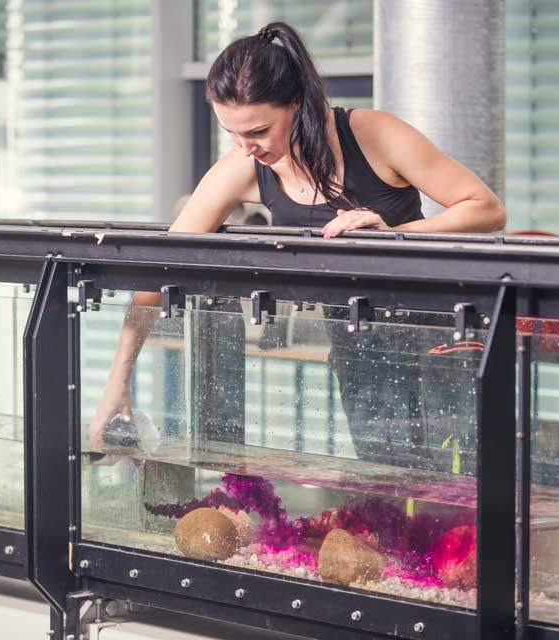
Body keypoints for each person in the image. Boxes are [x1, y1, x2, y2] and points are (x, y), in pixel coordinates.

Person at [90, 22, 505, 464]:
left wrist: (393, 235)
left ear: (297, 102)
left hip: (441, 338)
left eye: (258, 131)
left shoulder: (373, 134)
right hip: (358, 348)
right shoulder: (247, 164)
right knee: (389, 486)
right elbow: (162, 266)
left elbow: (486, 208)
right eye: (232, 133)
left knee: (461, 486)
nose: (246, 147)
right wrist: (118, 382)